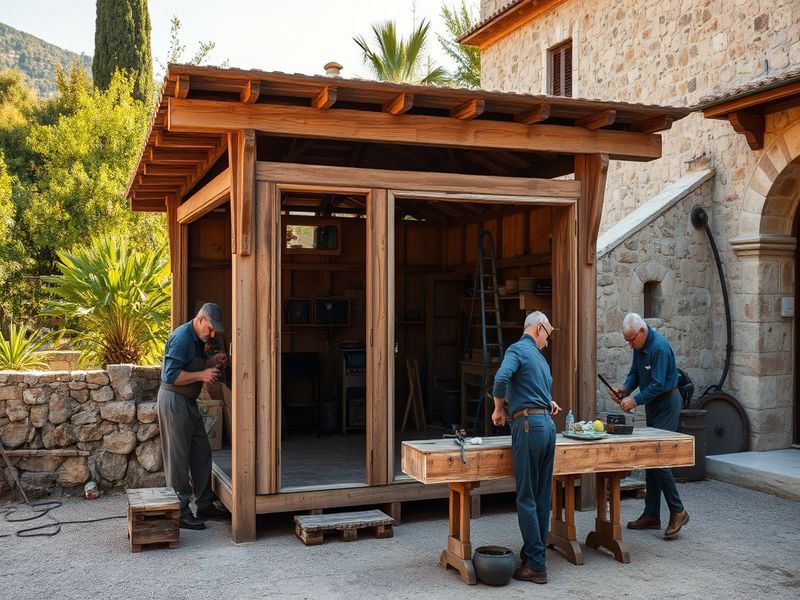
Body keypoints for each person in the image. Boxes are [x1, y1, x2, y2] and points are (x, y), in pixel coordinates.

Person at [491, 311, 561, 584]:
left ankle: (536, 564)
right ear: (539, 328)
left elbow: (500, 379)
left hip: (530, 427)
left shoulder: (517, 350)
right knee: (542, 497)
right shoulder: (539, 359)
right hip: (547, 427)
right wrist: (548, 403)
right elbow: (525, 387)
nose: (548, 342)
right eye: (548, 336)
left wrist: (498, 410)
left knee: (527, 497)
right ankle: (534, 555)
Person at [613, 312, 690, 539]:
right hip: (654, 404)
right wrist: (625, 389)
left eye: (631, 340)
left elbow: (657, 384)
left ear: (642, 332)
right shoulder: (640, 346)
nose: (629, 345)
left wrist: (634, 400)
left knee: (659, 458)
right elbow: (635, 373)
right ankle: (651, 514)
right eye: (626, 340)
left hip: (667, 403)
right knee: (651, 459)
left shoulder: (659, 347)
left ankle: (678, 510)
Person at [158, 303, 231, 530]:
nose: (211, 334)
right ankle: (179, 511)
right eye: (209, 329)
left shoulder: (198, 340)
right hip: (173, 401)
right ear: (200, 320)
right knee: (178, 459)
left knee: (202, 451)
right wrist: (203, 373)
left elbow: (193, 366)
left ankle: (205, 504)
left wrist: (212, 362)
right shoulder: (181, 338)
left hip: (189, 402)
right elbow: (171, 375)